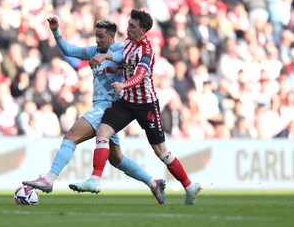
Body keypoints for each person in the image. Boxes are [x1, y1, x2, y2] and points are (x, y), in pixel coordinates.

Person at [22, 16, 166, 204]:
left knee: (71, 136)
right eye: (95, 36)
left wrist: (106, 57)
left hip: (108, 106)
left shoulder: (121, 49)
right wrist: (56, 31)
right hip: (105, 111)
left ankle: (49, 179)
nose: (97, 40)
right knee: (117, 159)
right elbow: (69, 50)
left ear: (112, 35)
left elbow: (123, 58)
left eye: (101, 36)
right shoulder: (94, 51)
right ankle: (153, 183)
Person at [70, 10, 201, 205]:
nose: (127, 28)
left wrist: (123, 84)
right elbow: (128, 66)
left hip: (146, 105)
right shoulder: (129, 44)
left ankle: (189, 187)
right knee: (102, 131)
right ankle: (95, 180)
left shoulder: (147, 50)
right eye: (128, 24)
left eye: (132, 26)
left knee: (161, 152)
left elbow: (140, 75)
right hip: (127, 102)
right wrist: (113, 68)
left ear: (143, 30)